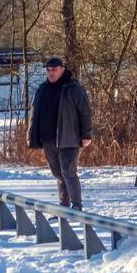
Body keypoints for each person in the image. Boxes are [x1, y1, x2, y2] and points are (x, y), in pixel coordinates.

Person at [27, 57, 92, 210]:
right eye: (48, 70)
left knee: (68, 171)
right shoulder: (42, 88)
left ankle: (77, 205)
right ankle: (64, 206)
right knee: (58, 173)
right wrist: (31, 135)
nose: (51, 73)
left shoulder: (73, 88)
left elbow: (85, 112)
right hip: (48, 138)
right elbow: (34, 113)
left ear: (62, 69)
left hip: (69, 137)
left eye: (54, 69)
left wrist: (87, 134)